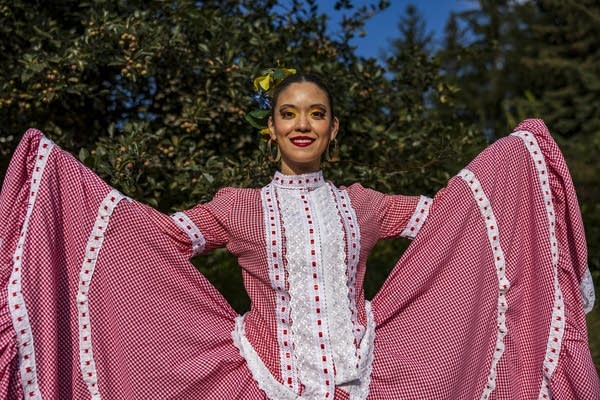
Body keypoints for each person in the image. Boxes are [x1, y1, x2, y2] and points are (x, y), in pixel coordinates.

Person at [0, 70, 598, 399]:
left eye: (316, 113)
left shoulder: (363, 205)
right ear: (273, 129)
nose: (302, 123)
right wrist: (63, 188)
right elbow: (157, 239)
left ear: (333, 129)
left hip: (368, 375)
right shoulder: (238, 207)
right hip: (263, 379)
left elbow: (447, 219)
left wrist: (516, 162)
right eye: (289, 113)